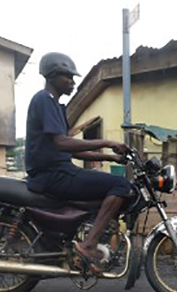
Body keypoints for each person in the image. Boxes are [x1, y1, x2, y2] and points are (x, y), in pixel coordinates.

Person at [25, 52, 134, 273]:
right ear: (52, 76)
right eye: (68, 77)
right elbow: (62, 143)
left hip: (59, 171)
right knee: (121, 185)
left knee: (107, 187)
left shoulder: (55, 105)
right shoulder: (44, 100)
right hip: (52, 175)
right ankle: (88, 245)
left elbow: (71, 150)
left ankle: (86, 241)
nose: (72, 82)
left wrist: (110, 157)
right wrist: (108, 142)